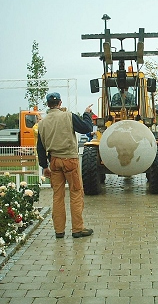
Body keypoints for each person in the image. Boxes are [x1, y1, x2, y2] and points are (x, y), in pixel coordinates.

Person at [37, 92, 94, 239]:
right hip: (70, 160)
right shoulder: (68, 116)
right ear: (60, 103)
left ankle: (59, 231)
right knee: (75, 193)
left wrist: (44, 166)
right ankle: (77, 229)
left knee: (58, 196)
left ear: (48, 104)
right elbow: (86, 128)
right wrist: (86, 114)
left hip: (54, 161)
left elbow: (40, 147)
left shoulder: (42, 123)